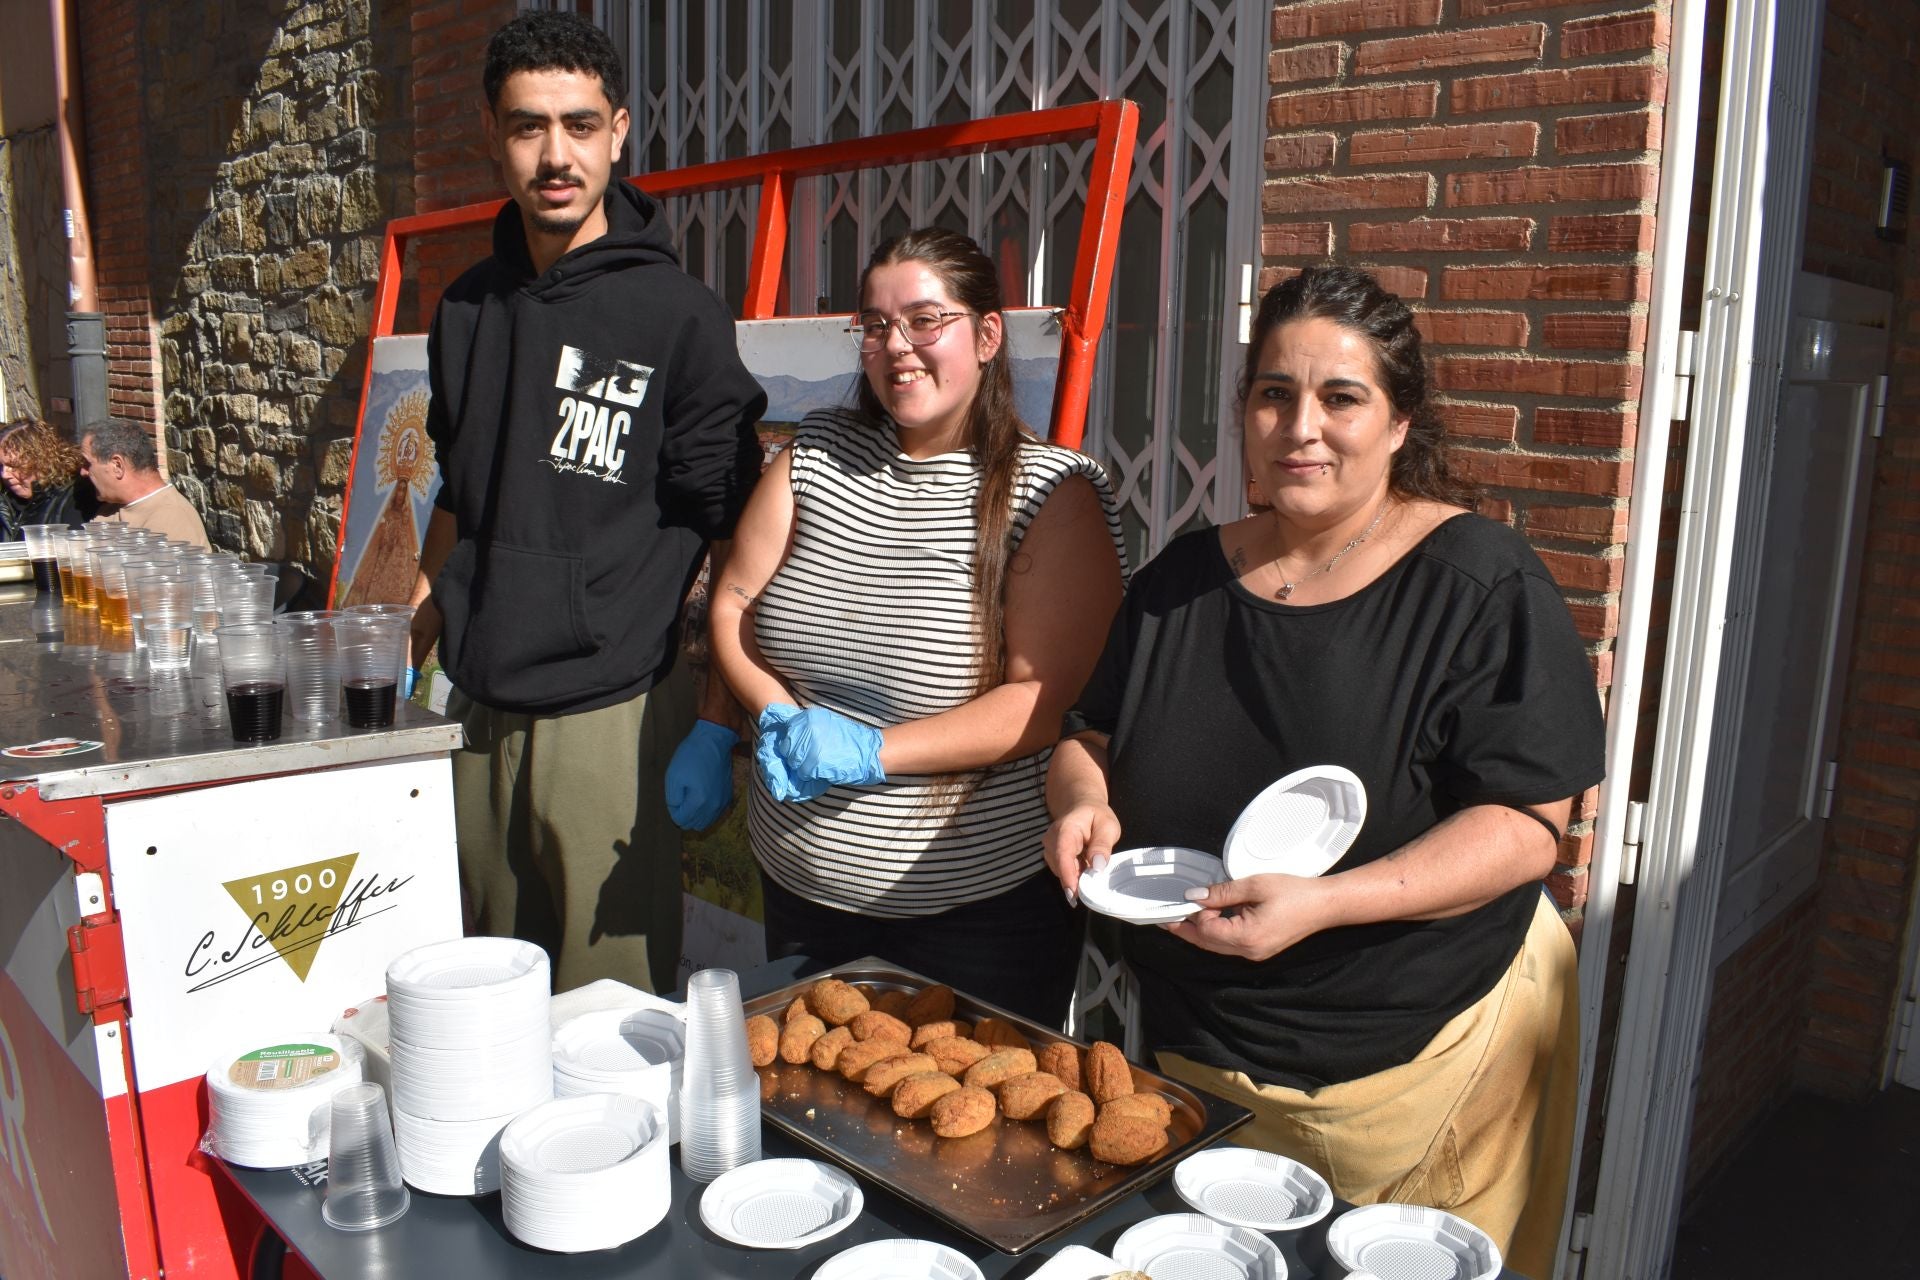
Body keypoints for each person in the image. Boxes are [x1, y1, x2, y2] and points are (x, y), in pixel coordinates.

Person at [1044, 265, 1604, 1274]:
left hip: (1418, 1061)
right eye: (1274, 394)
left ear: (1400, 424)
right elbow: (1090, 732)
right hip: (1198, 1055)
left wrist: (1330, 899)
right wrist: (1082, 799)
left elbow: (1529, 822)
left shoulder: (1480, 583)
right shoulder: (1183, 577)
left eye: (1342, 397)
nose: (1302, 425)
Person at [411, 12, 765, 995]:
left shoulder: (677, 316)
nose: (555, 154)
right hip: (475, 707)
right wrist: (405, 628)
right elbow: (460, 488)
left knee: (603, 1024)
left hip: (608, 710)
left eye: (578, 125)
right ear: (492, 134)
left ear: (617, 130)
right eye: (529, 127)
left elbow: (736, 529)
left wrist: (715, 715)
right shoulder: (466, 310)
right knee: (481, 1000)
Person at [702, 227, 1127, 1026]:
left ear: (988, 335)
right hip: (799, 891)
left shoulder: (1049, 493)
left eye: (926, 321)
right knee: (812, 1124)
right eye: (875, 324)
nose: (898, 346)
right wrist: (772, 710)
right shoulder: (815, 453)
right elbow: (733, 604)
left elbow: (1045, 702)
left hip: (972, 923)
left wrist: (870, 754)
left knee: (964, 1138)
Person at [77, 419, 210, 548]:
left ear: (117, 465)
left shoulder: (173, 519)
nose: (83, 472)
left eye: (88, 464)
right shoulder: (109, 509)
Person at [0, 419, 95, 535]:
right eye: (1, 466)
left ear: (41, 460)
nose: (4, 474)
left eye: (14, 466)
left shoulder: (75, 498)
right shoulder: (6, 503)